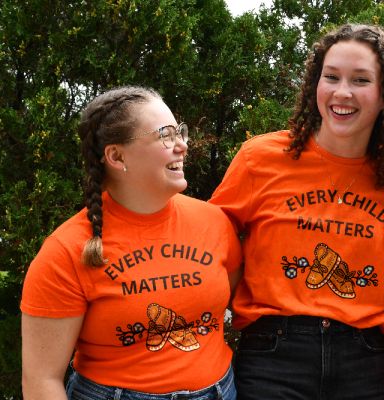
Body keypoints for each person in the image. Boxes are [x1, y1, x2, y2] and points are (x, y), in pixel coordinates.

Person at [209, 24, 384, 399]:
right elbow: (209, 247)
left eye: (360, 80)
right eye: (331, 77)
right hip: (273, 355)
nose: (342, 92)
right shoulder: (260, 158)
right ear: (315, 84)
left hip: (365, 360)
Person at [21, 86, 242, 400]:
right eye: (165, 135)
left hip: (219, 391)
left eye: (180, 132)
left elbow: (230, 297)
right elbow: (41, 381)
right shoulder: (66, 251)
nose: (182, 145)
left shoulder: (215, 222)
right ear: (116, 156)